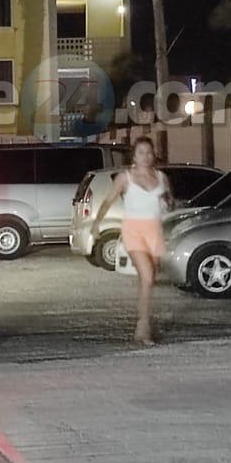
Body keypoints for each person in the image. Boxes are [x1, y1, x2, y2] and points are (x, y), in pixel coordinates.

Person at [93, 137, 174, 346]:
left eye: (149, 152)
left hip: (154, 230)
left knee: (148, 278)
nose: (145, 157)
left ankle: (143, 318)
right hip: (134, 230)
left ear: (153, 155)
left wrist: (167, 203)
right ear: (134, 156)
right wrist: (96, 224)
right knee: (147, 276)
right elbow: (108, 200)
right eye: (141, 152)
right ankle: (143, 327)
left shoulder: (161, 177)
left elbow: (169, 202)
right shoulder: (125, 177)